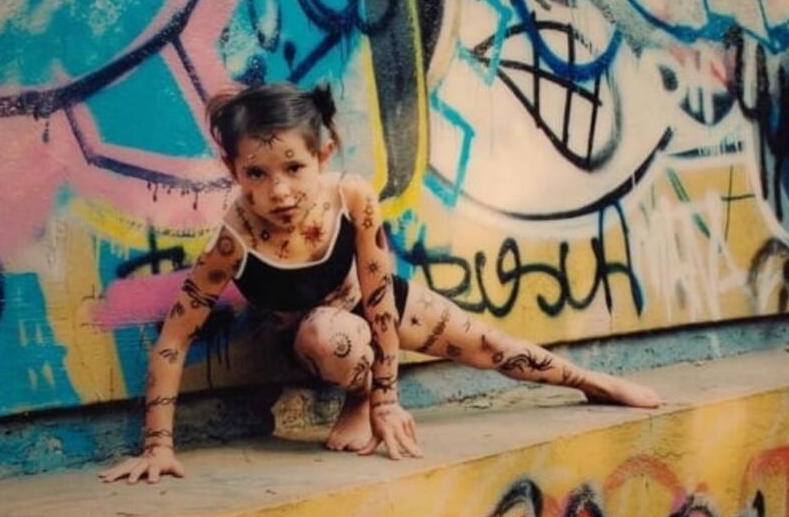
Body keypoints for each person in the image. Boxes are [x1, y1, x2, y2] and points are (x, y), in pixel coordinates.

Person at [99, 82, 660, 484]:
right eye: (257, 175)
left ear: (323, 154)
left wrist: (390, 400)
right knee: (327, 333)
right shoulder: (233, 241)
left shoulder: (352, 197)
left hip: (377, 311)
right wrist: (158, 445)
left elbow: (378, 295)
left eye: (294, 168)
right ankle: (356, 397)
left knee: (493, 347)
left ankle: (592, 382)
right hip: (320, 346)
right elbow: (174, 338)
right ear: (233, 172)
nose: (280, 192)